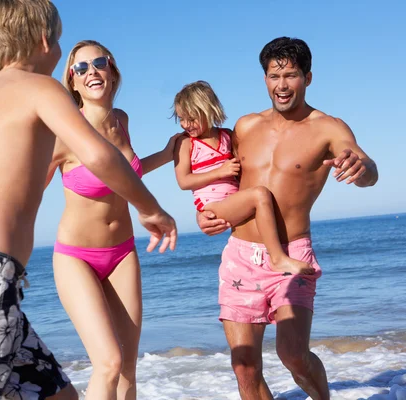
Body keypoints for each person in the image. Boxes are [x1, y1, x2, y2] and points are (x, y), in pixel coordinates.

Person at [0, 2, 177, 399]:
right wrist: (150, 208)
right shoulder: (40, 88)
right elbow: (97, 156)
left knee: (61, 394)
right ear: (45, 40)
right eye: (59, 40)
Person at [197, 37, 377, 400]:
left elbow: (367, 167)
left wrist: (362, 168)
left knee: (292, 354)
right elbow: (222, 179)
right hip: (240, 256)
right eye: (273, 76)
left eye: (291, 75)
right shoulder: (246, 127)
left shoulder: (328, 127)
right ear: (264, 78)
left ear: (307, 78)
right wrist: (208, 214)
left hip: (291, 256)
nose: (282, 85)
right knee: (244, 367)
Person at [43, 39, 180, 400]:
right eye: (81, 68)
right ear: (71, 81)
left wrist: (166, 155)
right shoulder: (63, 133)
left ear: (113, 71)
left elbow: (124, 174)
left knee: (128, 371)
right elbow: (27, 191)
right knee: (108, 363)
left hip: (122, 253)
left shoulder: (122, 121)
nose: (92, 71)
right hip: (76, 256)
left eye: (99, 62)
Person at [172, 80, 314, 275]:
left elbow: (244, 167)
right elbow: (184, 181)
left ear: (209, 110)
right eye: (181, 118)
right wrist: (219, 172)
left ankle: (266, 256)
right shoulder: (186, 143)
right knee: (259, 195)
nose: (185, 124)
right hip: (213, 207)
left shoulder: (228, 136)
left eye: (191, 118)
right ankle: (277, 257)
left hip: (234, 200)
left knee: (263, 199)